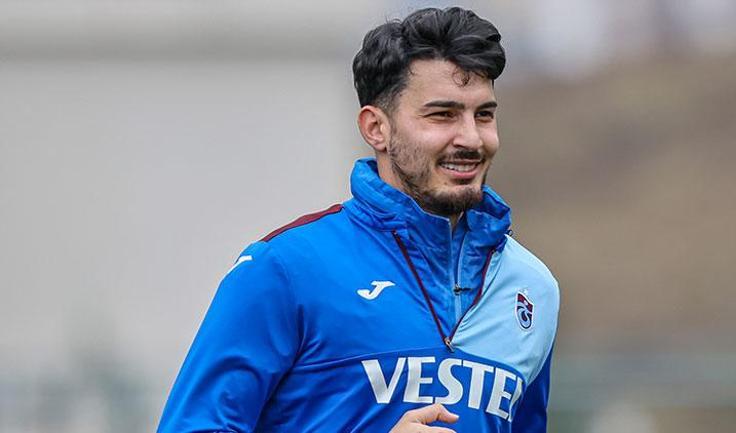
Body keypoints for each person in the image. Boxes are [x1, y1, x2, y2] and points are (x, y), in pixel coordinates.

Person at [158, 6, 559, 433]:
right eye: (442, 114)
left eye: (483, 115)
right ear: (376, 128)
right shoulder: (285, 268)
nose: (471, 138)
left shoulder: (532, 287)